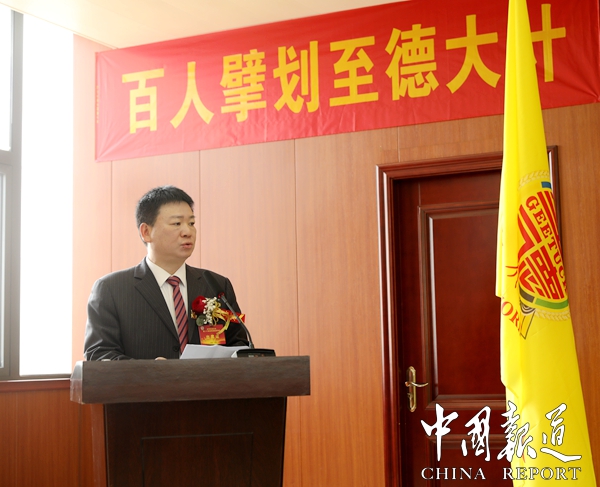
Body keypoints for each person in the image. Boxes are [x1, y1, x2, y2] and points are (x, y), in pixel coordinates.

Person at [84, 185, 248, 360]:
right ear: (146, 232)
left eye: (191, 223)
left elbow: (240, 347)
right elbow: (99, 354)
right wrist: (150, 371)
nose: (188, 232)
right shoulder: (111, 289)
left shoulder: (217, 286)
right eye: (177, 223)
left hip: (207, 380)